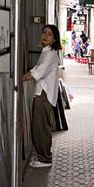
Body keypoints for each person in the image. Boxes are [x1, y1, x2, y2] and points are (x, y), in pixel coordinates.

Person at [23, 24, 62, 168]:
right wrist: (27, 74)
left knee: (41, 127)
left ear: (54, 39)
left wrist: (24, 78)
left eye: (49, 34)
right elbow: (37, 68)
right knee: (38, 125)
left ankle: (45, 159)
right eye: (44, 33)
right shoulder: (46, 51)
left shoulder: (51, 54)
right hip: (40, 93)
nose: (45, 36)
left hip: (44, 94)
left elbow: (39, 72)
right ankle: (42, 155)